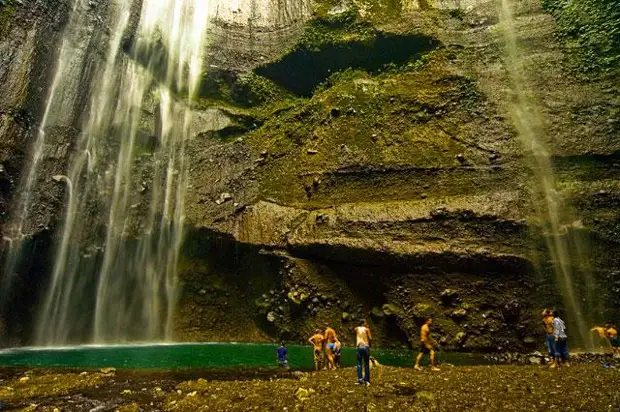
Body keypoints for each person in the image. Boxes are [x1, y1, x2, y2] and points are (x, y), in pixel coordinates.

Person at [354, 319, 372, 386]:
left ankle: (360, 380)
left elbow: (354, 330)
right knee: (366, 364)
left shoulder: (356, 329)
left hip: (359, 347)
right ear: (363, 323)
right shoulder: (367, 329)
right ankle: (367, 380)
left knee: (359, 363)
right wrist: (370, 345)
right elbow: (370, 338)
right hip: (365, 347)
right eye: (366, 322)